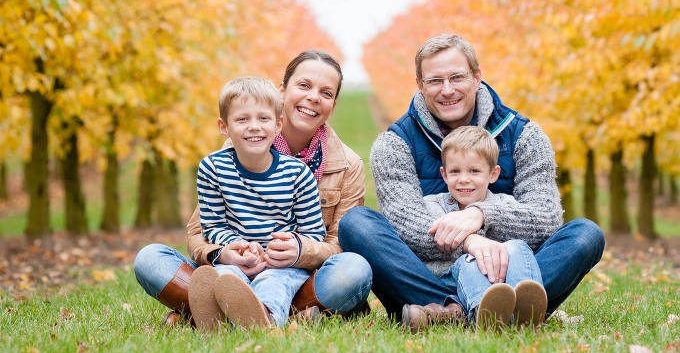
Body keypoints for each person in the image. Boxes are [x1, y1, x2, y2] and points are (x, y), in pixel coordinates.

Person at [338, 33, 604, 330]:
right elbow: (404, 225)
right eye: (435, 81)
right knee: (357, 224)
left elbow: (545, 219)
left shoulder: (525, 135)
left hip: (511, 270)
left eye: (457, 78)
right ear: (421, 86)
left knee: (586, 234)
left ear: (477, 77)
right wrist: (468, 241)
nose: (447, 90)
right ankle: (496, 313)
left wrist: (480, 215)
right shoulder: (394, 144)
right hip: (430, 276)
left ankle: (450, 314)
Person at [134, 50, 372, 328]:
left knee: (355, 270)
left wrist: (297, 251)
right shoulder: (235, 150)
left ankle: (218, 314)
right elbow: (201, 231)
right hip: (233, 265)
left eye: (326, 93)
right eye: (304, 85)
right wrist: (225, 253)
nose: (314, 97)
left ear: (333, 103)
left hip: (295, 275)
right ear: (282, 91)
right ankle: (277, 315)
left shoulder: (346, 165)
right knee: (149, 259)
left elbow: (336, 245)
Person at [187, 76, 326, 330]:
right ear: (224, 127)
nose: (254, 127)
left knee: (272, 283)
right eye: (242, 119)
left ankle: (265, 320)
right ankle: (217, 321)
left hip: (281, 264)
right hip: (237, 259)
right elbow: (213, 225)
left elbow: (314, 233)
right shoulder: (213, 168)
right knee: (223, 277)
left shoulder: (297, 173)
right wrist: (235, 251)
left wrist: (287, 250)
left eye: (263, 118)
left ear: (278, 124)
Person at [401, 125, 547, 332]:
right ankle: (485, 313)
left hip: (502, 274)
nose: (463, 179)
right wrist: (473, 244)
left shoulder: (504, 204)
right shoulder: (433, 205)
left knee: (518, 246)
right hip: (452, 278)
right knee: (470, 260)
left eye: (474, 171)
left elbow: (530, 228)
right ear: (444, 174)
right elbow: (429, 235)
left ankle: (526, 309)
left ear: (493, 174)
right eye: (455, 171)